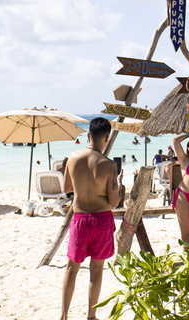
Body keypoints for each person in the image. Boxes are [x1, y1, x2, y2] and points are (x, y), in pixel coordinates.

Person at [60, 117, 122, 320]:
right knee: (96, 270)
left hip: (80, 219)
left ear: (88, 135)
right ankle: (91, 316)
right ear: (107, 137)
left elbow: (67, 189)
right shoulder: (109, 165)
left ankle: (64, 315)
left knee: (71, 268)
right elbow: (114, 202)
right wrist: (118, 186)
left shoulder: (73, 157)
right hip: (101, 220)